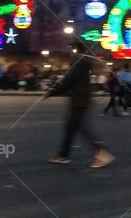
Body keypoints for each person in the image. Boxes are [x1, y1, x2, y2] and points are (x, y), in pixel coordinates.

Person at [47, 39, 114, 168]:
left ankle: (101, 152)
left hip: (80, 99)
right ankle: (63, 155)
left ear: (75, 49)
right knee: (71, 127)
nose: (69, 51)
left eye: (70, 48)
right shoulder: (84, 61)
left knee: (79, 127)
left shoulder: (79, 62)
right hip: (82, 98)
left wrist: (52, 92)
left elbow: (69, 80)